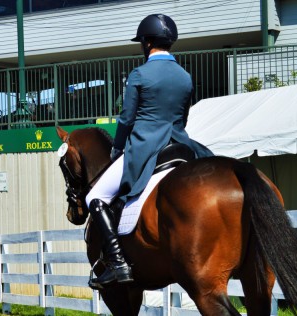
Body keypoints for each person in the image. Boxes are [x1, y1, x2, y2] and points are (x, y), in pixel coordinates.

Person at [84, 14, 214, 289]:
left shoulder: (139, 74)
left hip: (145, 146)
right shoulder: (185, 76)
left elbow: (127, 119)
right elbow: (183, 118)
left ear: (147, 42)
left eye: (143, 41)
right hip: (180, 144)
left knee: (95, 196)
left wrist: (117, 148)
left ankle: (117, 264)